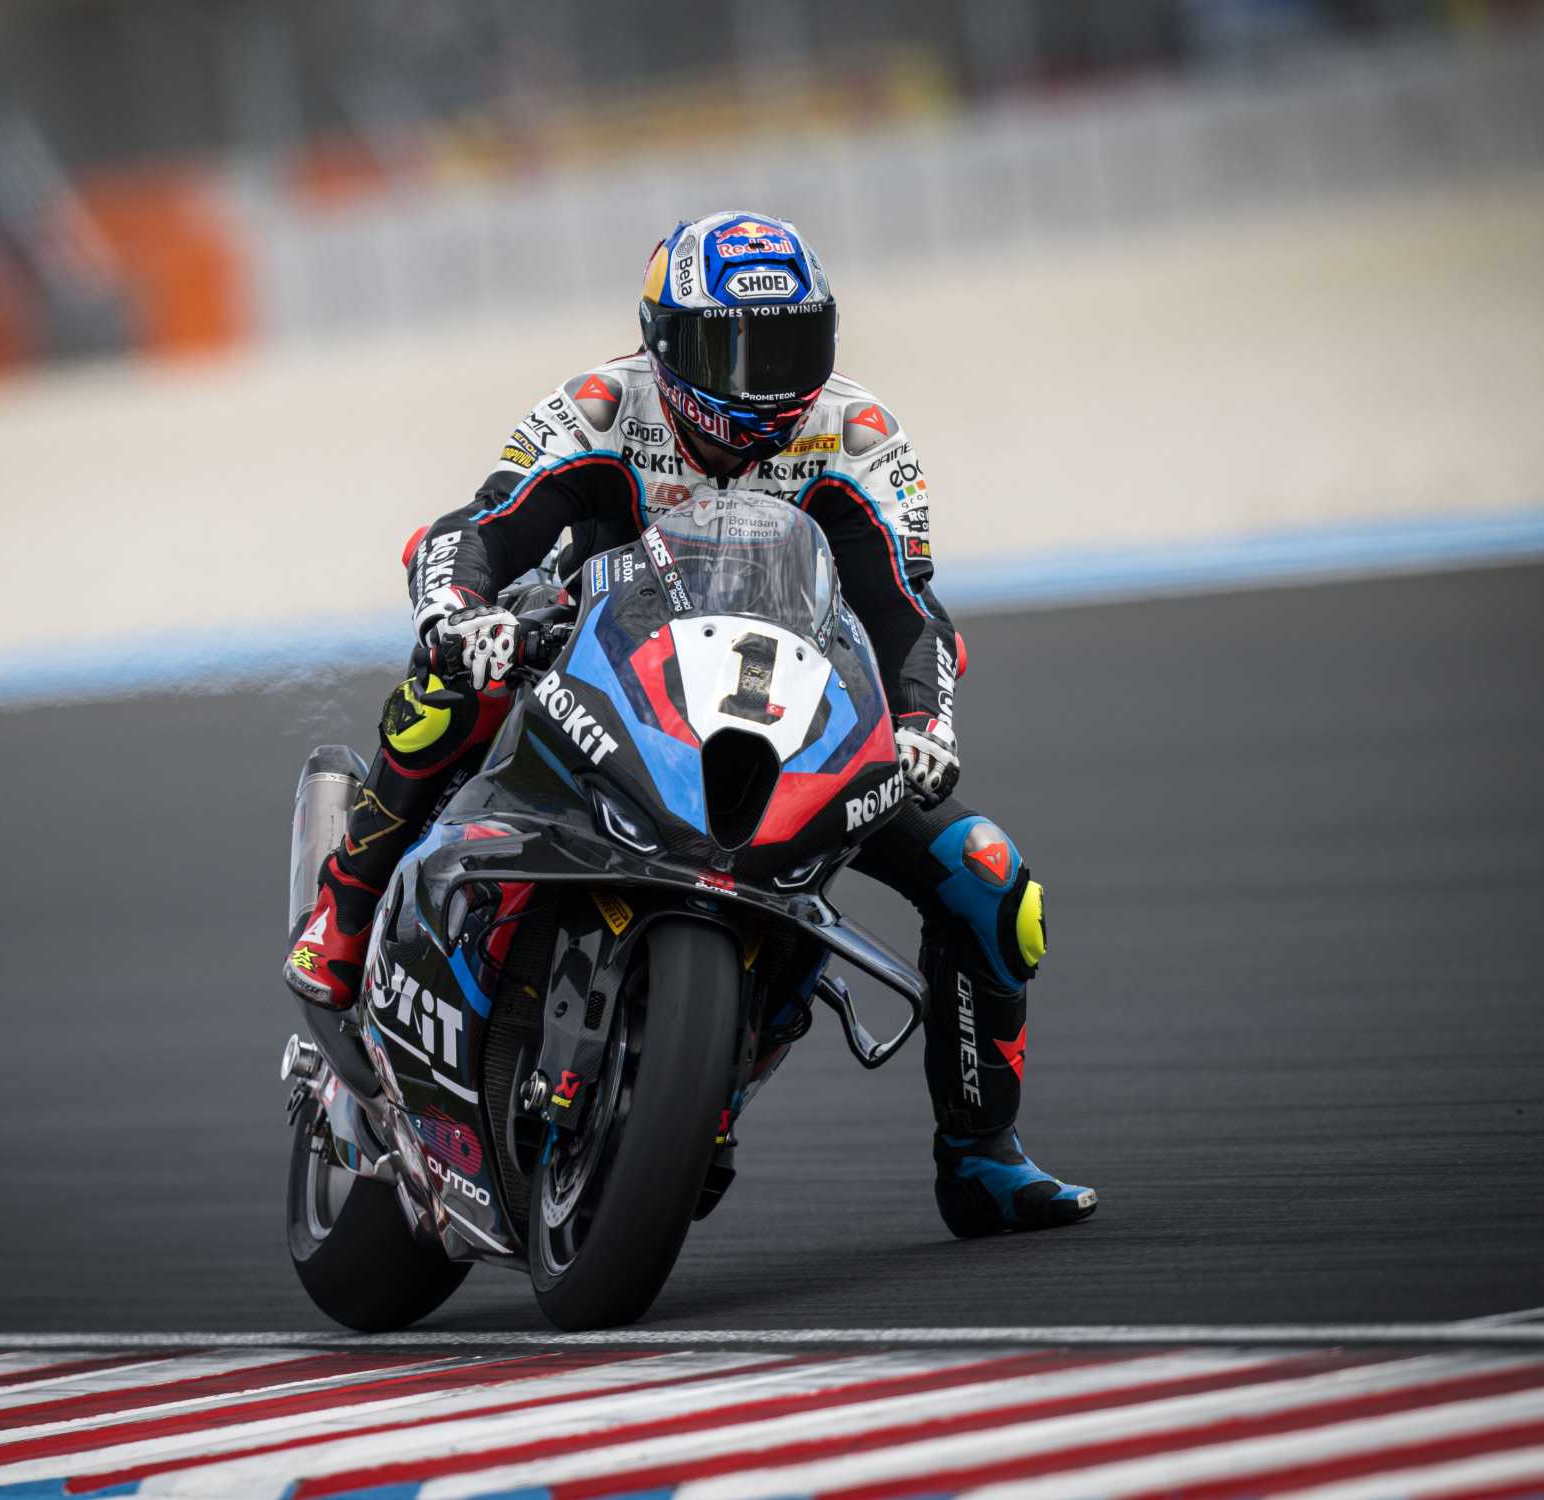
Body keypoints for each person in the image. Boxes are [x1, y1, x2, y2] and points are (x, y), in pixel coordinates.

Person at [282, 211, 1095, 1236]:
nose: (761, 382)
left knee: (991, 880)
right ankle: (346, 909)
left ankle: (982, 1157)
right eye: (730, 350)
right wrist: (458, 612)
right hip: (599, 682)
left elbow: (907, 607)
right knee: (455, 683)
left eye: (788, 348)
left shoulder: (857, 437)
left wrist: (927, 720)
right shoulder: (602, 407)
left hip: (785, 724)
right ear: (664, 342)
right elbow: (475, 528)